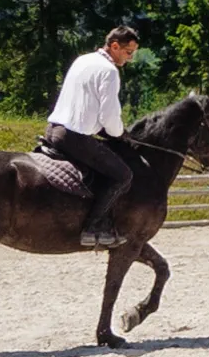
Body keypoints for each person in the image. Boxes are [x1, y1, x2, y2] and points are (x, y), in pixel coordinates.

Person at [43, 25, 143, 249]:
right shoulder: (109, 71)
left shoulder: (82, 60)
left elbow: (86, 105)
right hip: (74, 136)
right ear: (115, 46)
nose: (130, 59)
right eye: (129, 52)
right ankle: (93, 226)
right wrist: (120, 133)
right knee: (122, 175)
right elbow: (109, 115)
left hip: (53, 129)